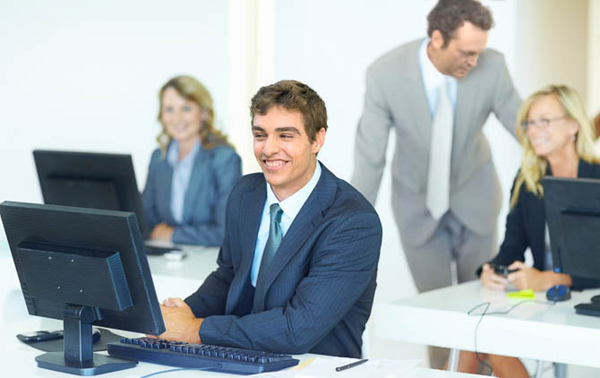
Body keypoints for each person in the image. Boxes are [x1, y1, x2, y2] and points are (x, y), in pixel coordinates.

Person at [152, 80, 382, 358]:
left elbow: (298, 328)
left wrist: (195, 330)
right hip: (239, 356)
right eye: (261, 135)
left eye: (285, 136)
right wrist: (182, 315)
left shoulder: (353, 221)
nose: (269, 149)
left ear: (317, 139)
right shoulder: (246, 193)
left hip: (314, 365)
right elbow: (228, 277)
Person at [351, 0, 520, 368]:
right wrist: (351, 226)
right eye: (466, 52)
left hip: (475, 199)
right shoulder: (385, 74)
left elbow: (523, 127)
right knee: (436, 310)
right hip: (417, 206)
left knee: (482, 308)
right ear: (437, 38)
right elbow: (370, 157)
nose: (474, 61)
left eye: (479, 51)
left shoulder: (493, 66)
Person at [459, 85, 600, 377]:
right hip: (541, 299)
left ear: (573, 125)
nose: (533, 131)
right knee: (473, 337)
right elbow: (511, 248)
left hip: (588, 304)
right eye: (529, 123)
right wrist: (491, 269)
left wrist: (551, 278)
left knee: (485, 341)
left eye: (544, 121)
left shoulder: (596, 179)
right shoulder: (529, 180)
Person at [142, 75, 242, 246]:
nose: (177, 118)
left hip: (209, 261)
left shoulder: (224, 159)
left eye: (186, 108)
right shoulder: (159, 158)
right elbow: (146, 221)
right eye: (169, 109)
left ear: (203, 112)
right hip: (167, 258)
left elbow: (225, 232)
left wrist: (173, 235)